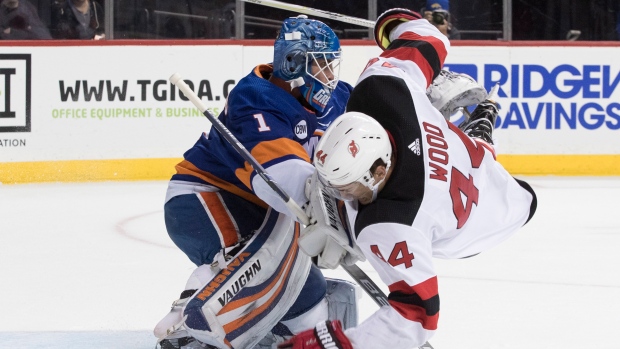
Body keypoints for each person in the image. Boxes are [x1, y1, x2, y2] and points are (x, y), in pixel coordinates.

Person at [277, 8, 537, 349]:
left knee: (493, 175)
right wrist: (395, 25)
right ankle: (480, 136)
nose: (338, 193)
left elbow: (419, 315)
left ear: (380, 171)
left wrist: (339, 344)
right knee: (473, 149)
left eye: (346, 188)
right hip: (463, 159)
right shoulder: (384, 87)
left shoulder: (393, 225)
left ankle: (480, 137)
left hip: (490, 216)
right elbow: (430, 36)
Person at [154, 15, 358, 349]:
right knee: (256, 265)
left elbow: (381, 106)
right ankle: (192, 323)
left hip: (268, 217)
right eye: (320, 66)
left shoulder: (337, 99)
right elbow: (284, 178)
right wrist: (340, 219)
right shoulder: (256, 98)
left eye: (330, 65)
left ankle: (262, 330)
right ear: (293, 64)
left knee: (307, 297)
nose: (330, 77)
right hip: (203, 198)